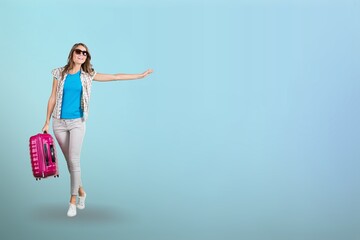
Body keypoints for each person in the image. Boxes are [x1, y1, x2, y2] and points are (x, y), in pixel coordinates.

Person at [41, 43, 153, 217]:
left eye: (84, 53)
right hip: (58, 123)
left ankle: (72, 200)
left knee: (74, 160)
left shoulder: (87, 75)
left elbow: (115, 77)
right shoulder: (59, 73)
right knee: (70, 163)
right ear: (72, 54)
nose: (81, 55)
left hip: (77, 122)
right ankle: (82, 191)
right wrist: (47, 121)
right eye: (78, 51)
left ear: (86, 57)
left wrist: (139, 76)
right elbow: (53, 97)